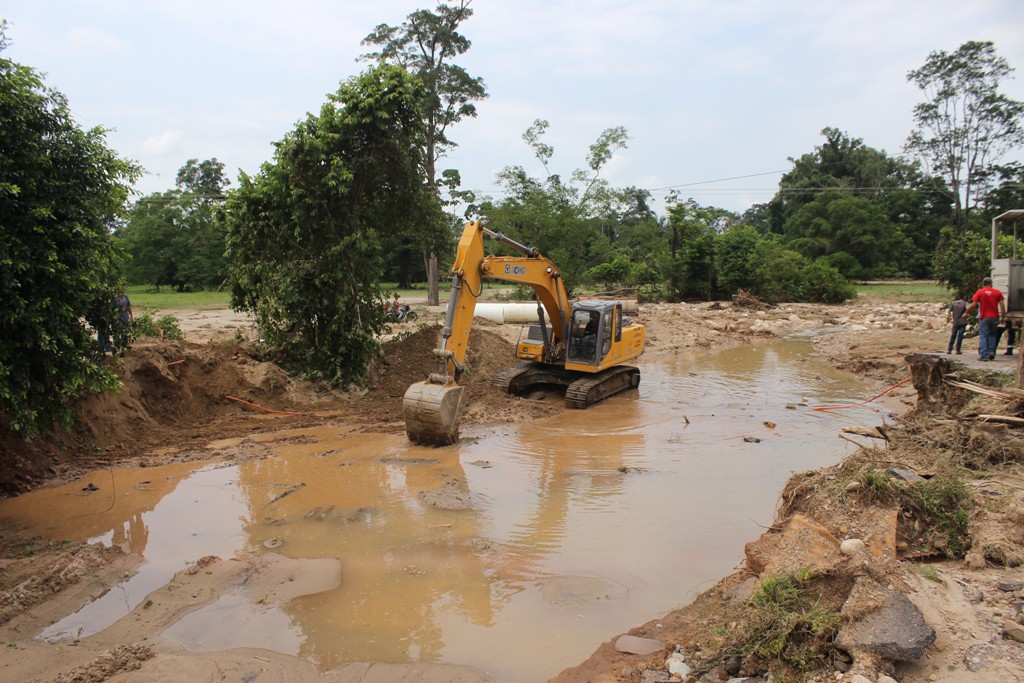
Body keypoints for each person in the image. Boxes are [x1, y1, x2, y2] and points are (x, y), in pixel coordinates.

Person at [966, 277, 1006, 361]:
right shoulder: (997, 292)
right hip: (994, 317)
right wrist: (1003, 317)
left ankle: (984, 355)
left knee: (983, 336)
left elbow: (973, 304)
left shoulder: (980, 292)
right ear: (991, 284)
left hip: (983, 317)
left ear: (983, 284)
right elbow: (1002, 305)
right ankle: (991, 352)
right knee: (992, 335)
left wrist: (966, 312)